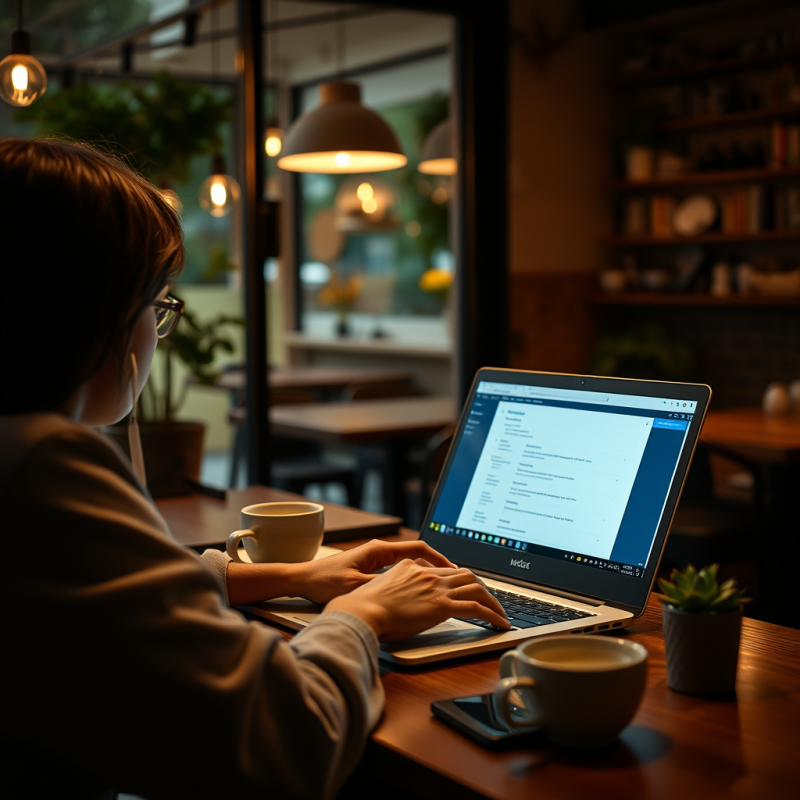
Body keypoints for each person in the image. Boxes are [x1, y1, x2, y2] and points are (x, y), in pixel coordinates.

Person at [0, 137, 508, 800]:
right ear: (93, 313)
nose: (156, 330)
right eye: (157, 306)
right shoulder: (39, 464)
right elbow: (290, 739)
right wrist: (363, 615)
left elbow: (94, 589)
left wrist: (293, 576)